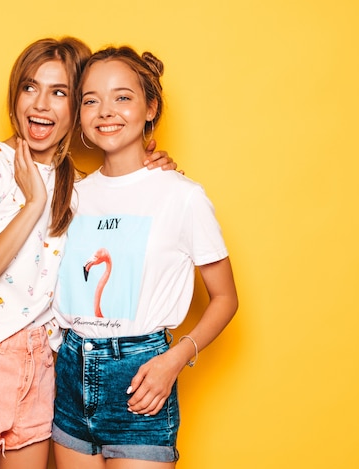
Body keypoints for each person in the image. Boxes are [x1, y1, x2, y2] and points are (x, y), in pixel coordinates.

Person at [0, 37, 176, 469]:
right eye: (29, 87)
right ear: (14, 96)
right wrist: (34, 204)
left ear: (78, 108)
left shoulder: (81, 189)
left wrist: (153, 168)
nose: (40, 104)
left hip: (43, 370)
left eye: (59, 92)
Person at [49, 46, 238, 468]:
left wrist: (174, 360)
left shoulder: (182, 196)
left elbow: (225, 298)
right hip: (69, 373)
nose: (105, 111)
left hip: (140, 378)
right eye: (90, 99)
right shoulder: (72, 196)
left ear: (150, 106)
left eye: (122, 97)